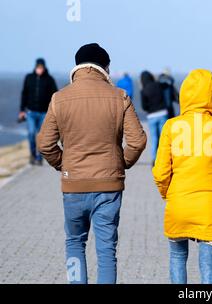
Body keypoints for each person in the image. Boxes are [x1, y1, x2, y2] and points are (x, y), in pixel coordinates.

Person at [37, 43, 147, 284]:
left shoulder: (59, 98)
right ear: (105, 67)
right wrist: (121, 164)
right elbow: (138, 140)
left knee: (75, 243)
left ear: (77, 67)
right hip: (109, 185)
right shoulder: (120, 97)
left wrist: (62, 164)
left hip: (73, 184)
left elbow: (45, 143)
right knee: (107, 249)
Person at [152, 69, 212, 284]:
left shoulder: (171, 126)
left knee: (177, 258)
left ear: (184, 94)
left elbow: (160, 171)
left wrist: (168, 194)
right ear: (211, 94)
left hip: (179, 204)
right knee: (208, 268)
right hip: (210, 207)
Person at [20, 58, 58, 165]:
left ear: (44, 68)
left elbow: (55, 96)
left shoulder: (50, 79)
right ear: (35, 67)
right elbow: (24, 94)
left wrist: (54, 111)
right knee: (31, 134)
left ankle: (39, 158)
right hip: (31, 112)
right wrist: (22, 110)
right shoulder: (29, 78)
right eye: (38, 67)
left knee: (41, 137)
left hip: (44, 114)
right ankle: (32, 154)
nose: (39, 69)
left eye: (41, 67)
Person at [140, 71, 168, 166]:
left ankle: (154, 159)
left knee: (154, 138)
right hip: (162, 113)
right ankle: (164, 158)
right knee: (164, 138)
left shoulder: (143, 90)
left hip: (152, 115)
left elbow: (144, 107)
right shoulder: (158, 85)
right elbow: (166, 87)